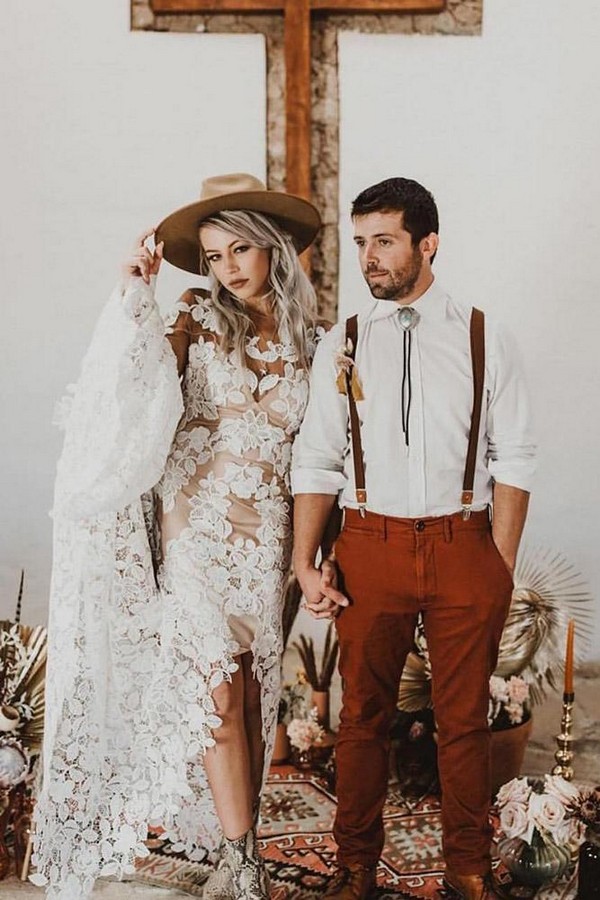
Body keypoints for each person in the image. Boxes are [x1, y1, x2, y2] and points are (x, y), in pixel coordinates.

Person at [33, 173, 326, 900]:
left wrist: (318, 550)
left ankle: (242, 842)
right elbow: (139, 388)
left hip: (268, 539)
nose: (227, 266)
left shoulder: (317, 343)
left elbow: (325, 454)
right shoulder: (195, 315)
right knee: (219, 697)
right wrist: (137, 295)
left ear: (272, 247)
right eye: (215, 252)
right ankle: (243, 860)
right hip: (194, 523)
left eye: (240, 249)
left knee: (254, 693)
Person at [291, 177, 537, 900]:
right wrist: (307, 562)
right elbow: (317, 457)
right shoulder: (345, 339)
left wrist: (499, 561)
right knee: (362, 716)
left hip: (466, 543)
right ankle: (356, 864)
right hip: (369, 543)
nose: (370, 257)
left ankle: (467, 867)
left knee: (464, 721)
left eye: (385, 241)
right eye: (361, 241)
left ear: (428, 243)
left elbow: (515, 454)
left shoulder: (483, 334)